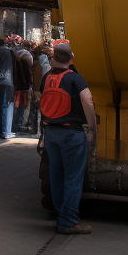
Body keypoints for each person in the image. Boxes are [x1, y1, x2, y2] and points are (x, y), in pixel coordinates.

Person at [41, 42, 96, 235]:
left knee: (57, 175)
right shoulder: (76, 79)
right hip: (72, 133)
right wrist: (91, 127)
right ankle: (68, 221)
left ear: (54, 58)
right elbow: (88, 101)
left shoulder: (46, 78)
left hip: (51, 132)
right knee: (73, 178)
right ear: (71, 59)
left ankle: (60, 215)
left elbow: (42, 103)